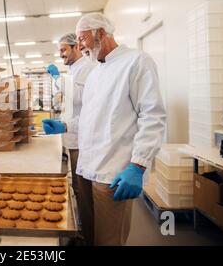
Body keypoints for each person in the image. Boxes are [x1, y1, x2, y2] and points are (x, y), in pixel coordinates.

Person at [42, 13, 166, 246]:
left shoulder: (137, 62)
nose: (80, 46)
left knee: (108, 239)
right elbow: (90, 118)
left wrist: (138, 165)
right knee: (90, 233)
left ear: (101, 33)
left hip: (113, 172)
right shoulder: (96, 71)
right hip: (88, 167)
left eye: (82, 39)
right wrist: (66, 125)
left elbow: (153, 116)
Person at [44, 33, 95, 244]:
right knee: (77, 187)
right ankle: (83, 228)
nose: (61, 54)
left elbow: (80, 96)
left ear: (76, 47)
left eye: (64, 49)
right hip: (73, 134)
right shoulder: (74, 69)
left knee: (83, 190)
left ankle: (89, 235)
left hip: (82, 138)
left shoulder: (87, 68)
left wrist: (58, 79)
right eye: (59, 50)